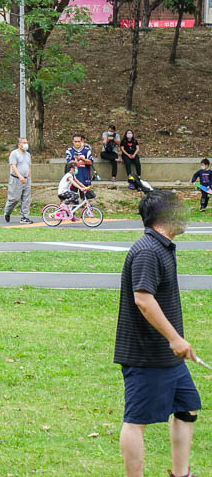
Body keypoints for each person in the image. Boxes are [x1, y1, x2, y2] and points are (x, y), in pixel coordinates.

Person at [114, 191, 199, 477]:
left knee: (187, 409)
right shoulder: (148, 251)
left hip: (168, 358)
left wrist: (176, 341)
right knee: (136, 420)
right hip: (146, 355)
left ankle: (181, 473)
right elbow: (143, 299)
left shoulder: (162, 247)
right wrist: (174, 338)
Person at [3, 137, 33, 224]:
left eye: (26, 142)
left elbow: (29, 167)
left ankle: (25, 217)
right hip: (16, 179)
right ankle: (7, 212)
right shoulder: (14, 154)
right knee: (14, 198)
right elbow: (13, 166)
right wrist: (20, 177)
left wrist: (29, 178)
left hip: (26, 179)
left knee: (26, 199)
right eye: (24, 142)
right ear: (19, 144)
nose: (26, 144)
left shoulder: (28, 155)